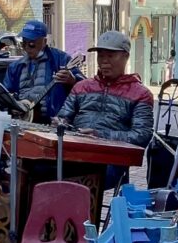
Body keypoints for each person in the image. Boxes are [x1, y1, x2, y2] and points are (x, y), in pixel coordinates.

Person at [56, 30, 154, 188]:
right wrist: (59, 124)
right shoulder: (82, 86)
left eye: (110, 56)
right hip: (74, 153)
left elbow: (142, 135)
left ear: (126, 56)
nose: (104, 62)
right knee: (37, 169)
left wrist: (100, 135)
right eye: (101, 56)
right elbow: (63, 117)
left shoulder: (141, 94)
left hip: (111, 160)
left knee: (83, 176)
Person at [3, 20, 81, 123]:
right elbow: (6, 94)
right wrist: (12, 107)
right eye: (23, 43)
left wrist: (72, 80)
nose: (26, 48)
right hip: (23, 120)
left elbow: (84, 89)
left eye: (31, 44)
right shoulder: (15, 67)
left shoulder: (61, 59)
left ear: (44, 41)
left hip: (51, 122)